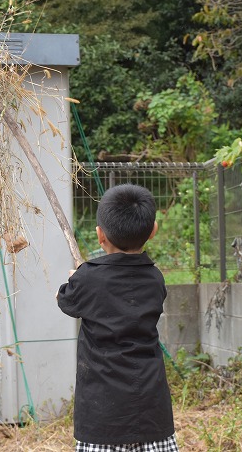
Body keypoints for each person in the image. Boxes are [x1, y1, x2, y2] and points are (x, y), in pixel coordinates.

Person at [56, 184, 178, 452]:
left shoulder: (87, 278)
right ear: (153, 231)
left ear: (100, 235)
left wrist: (75, 278)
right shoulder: (155, 278)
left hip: (102, 418)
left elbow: (65, 300)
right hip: (151, 411)